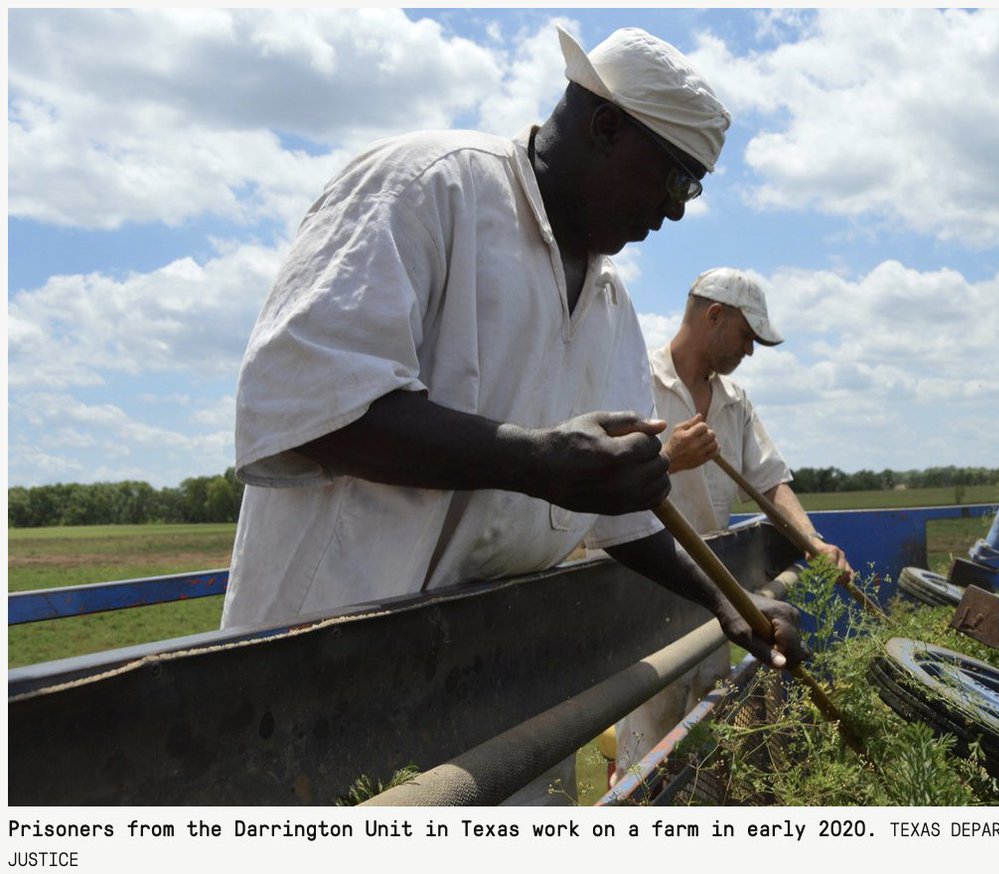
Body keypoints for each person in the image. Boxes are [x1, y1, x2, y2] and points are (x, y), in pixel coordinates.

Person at [221, 27, 809, 802]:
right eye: (674, 179)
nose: (674, 212)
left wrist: (724, 599)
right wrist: (539, 461)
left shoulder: (610, 305)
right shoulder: (430, 187)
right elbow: (312, 403)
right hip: (325, 683)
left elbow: (631, 516)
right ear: (606, 127)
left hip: (494, 685)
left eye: (690, 192)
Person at [615, 267, 853, 779]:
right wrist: (669, 458)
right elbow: (607, 479)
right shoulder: (634, 378)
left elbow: (770, 482)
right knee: (646, 755)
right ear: (714, 316)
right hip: (648, 590)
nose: (749, 351)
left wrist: (811, 541)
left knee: (708, 750)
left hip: (712, 593)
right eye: (746, 336)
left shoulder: (734, 401)